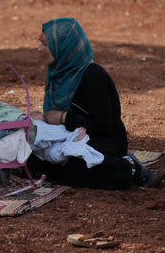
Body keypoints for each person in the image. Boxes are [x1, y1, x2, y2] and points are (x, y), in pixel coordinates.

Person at [29, 17, 155, 189]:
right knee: (29, 152)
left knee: (75, 168)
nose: (39, 49)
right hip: (69, 136)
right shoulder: (57, 73)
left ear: (63, 48)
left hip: (104, 140)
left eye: (45, 44)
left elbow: (104, 126)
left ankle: (129, 168)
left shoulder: (93, 77)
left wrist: (64, 118)